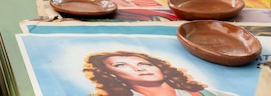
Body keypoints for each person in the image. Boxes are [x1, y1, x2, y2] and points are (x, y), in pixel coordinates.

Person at [83, 51, 237, 96]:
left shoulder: (212, 94)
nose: (139, 68)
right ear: (111, 75)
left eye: (144, 63)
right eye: (121, 65)